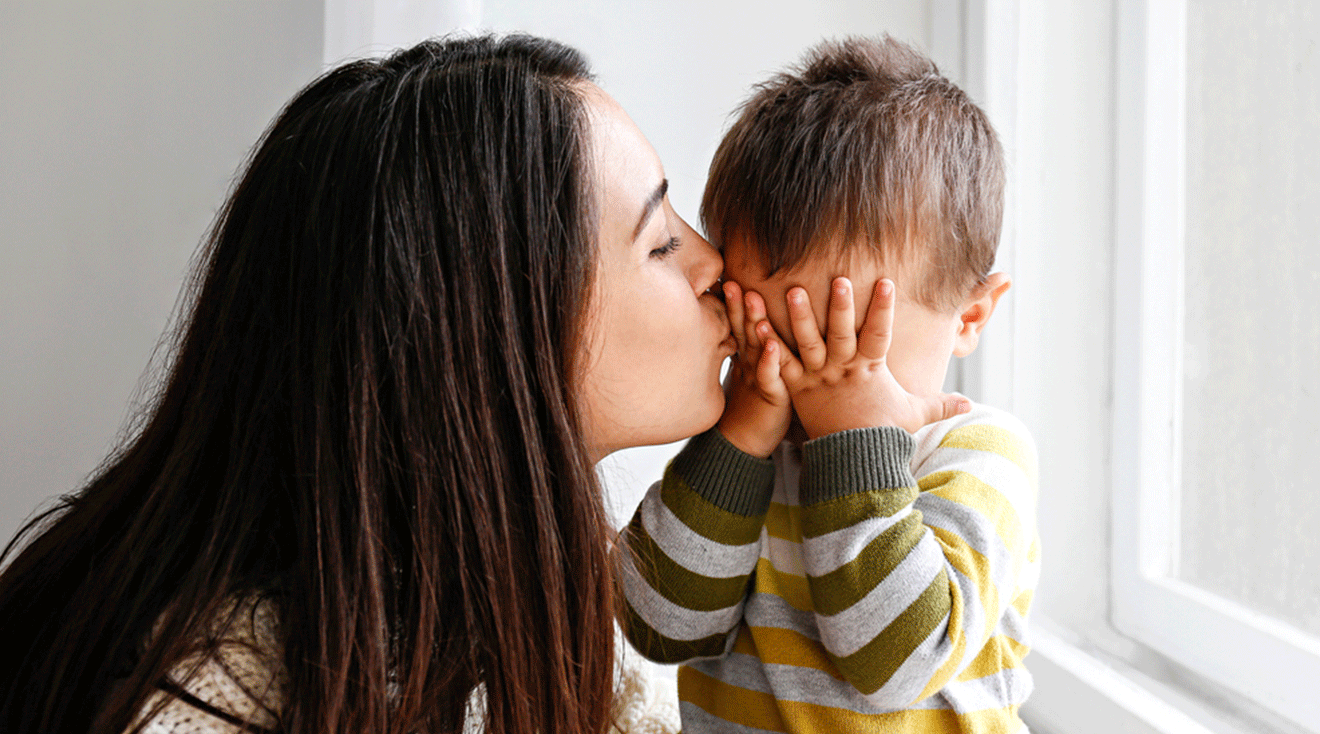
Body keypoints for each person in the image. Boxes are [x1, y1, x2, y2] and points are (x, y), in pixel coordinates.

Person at [0, 33, 733, 734]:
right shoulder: (210, 688)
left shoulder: (535, 614)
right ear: (486, 322)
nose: (716, 268)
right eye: (661, 241)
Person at [620, 36, 1040, 732]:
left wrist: (855, 438)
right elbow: (662, 627)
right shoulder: (745, 454)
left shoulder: (981, 456)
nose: (808, 379)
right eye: (772, 331)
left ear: (969, 316)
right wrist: (740, 439)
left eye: (843, 341)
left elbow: (897, 662)